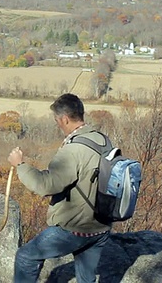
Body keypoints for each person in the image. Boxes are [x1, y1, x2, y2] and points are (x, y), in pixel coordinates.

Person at [7, 93, 111, 283]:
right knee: (86, 278)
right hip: (101, 227)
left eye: (57, 120)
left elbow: (46, 185)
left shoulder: (73, 150)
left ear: (64, 119)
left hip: (75, 229)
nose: (57, 124)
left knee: (26, 257)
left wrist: (20, 165)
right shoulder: (102, 140)